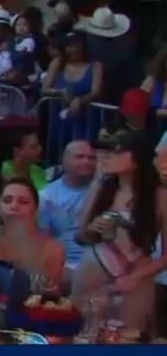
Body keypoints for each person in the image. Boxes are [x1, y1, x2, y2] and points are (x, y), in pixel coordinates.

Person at [71, 129, 166, 331]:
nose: (109, 157)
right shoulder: (102, 187)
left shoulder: (160, 196)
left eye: (117, 152)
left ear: (137, 158)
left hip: (135, 277)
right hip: (93, 270)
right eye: (108, 152)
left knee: (126, 337)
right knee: (86, 333)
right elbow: (80, 236)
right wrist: (92, 228)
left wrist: (134, 278)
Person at [0, 179, 66, 291]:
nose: (14, 206)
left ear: (35, 209)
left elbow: (51, 294)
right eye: (7, 201)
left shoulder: (53, 248)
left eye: (24, 202)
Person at [39, 140, 96, 275]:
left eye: (91, 158)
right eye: (80, 157)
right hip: (64, 264)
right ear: (64, 160)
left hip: (100, 263)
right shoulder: (46, 196)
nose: (86, 162)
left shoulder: (107, 190)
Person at [42, 32, 103, 144]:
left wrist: (81, 100)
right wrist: (59, 92)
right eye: (70, 46)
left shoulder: (95, 66)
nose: (75, 50)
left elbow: (96, 91)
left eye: (78, 46)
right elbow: (45, 88)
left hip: (86, 119)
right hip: (60, 117)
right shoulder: (58, 63)